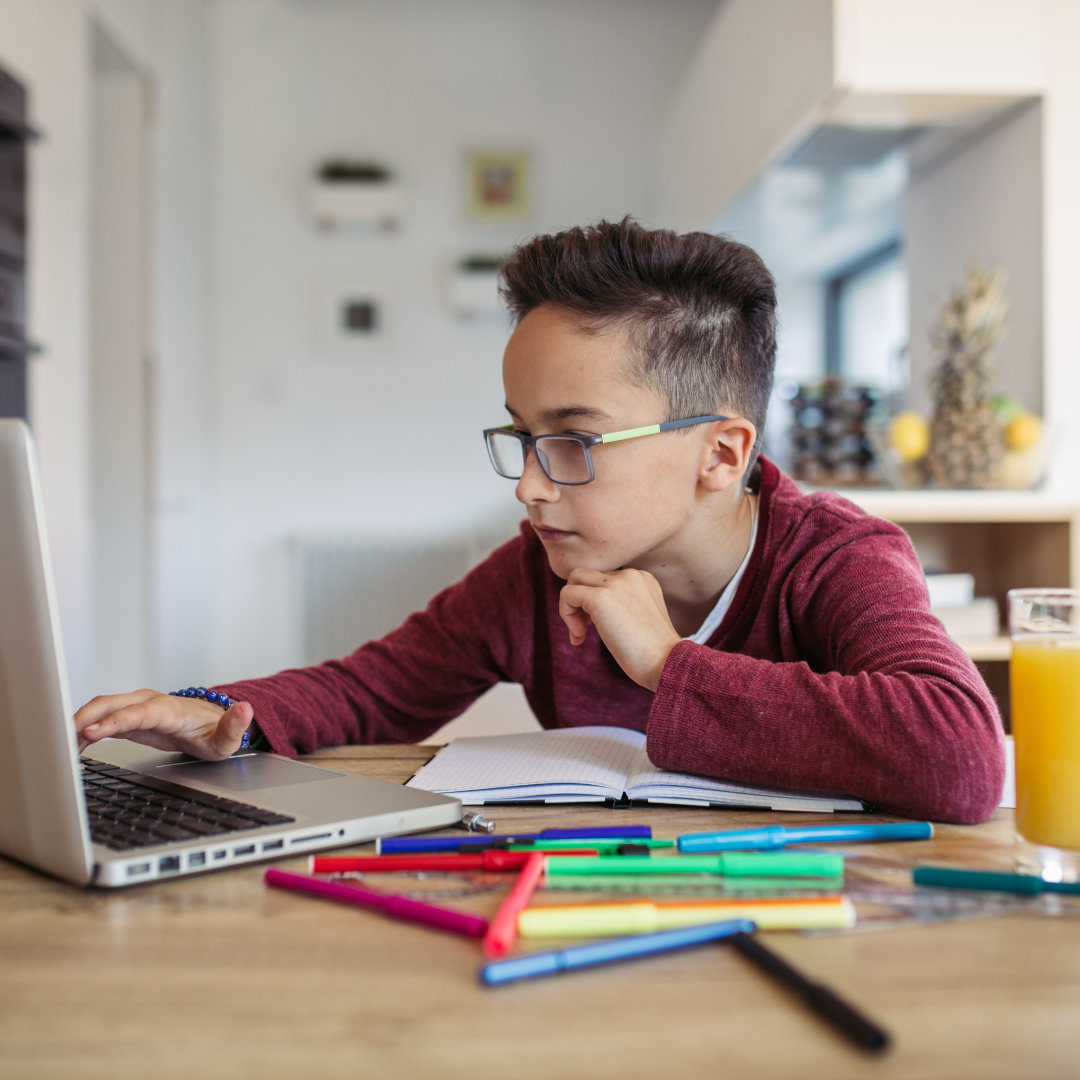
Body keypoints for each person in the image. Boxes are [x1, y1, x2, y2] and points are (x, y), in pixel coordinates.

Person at [75, 218, 1005, 823]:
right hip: (592, 906)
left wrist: (667, 664)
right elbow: (371, 690)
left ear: (720, 455)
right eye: (520, 437)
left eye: (572, 439)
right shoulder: (538, 569)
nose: (527, 486)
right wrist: (213, 714)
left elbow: (961, 757)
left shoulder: (833, 558)